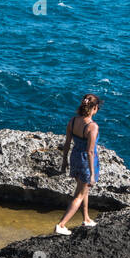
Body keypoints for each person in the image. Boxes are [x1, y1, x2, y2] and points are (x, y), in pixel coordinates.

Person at [54, 94, 102, 235]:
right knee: (79, 195)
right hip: (86, 162)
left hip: (74, 158)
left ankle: (86, 218)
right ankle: (61, 225)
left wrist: (64, 162)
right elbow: (90, 152)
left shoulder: (73, 121)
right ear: (94, 108)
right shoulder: (92, 126)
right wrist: (93, 174)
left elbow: (67, 144)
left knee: (83, 190)